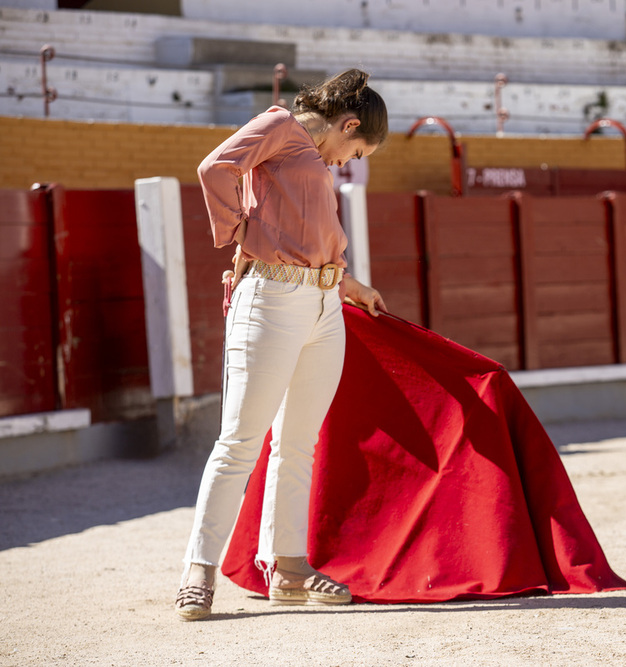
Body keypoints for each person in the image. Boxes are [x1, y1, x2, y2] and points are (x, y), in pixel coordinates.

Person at [175, 69, 388, 621]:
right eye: (357, 149)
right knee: (240, 442)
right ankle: (198, 569)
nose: (350, 162)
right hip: (269, 296)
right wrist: (241, 231)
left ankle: (288, 568)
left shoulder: (312, 157)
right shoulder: (280, 126)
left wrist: (348, 283)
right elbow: (214, 168)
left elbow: (311, 232)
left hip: (323, 305)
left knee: (298, 445)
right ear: (347, 124)